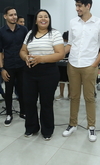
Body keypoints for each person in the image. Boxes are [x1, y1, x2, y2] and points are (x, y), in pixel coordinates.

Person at [62, 0, 100, 142]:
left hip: (89, 65)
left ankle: (91, 127)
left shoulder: (99, 23)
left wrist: (95, 64)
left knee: (89, 98)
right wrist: (58, 54)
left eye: (80, 5)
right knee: (74, 96)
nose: (77, 8)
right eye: (76, 5)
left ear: (88, 6)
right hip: (73, 64)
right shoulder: (73, 22)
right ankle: (72, 124)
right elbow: (70, 44)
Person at [20, 9, 64, 140]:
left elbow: (60, 54)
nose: (43, 19)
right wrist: (25, 57)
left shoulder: (54, 34)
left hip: (48, 72)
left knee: (46, 102)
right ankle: (31, 127)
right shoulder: (30, 34)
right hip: (29, 72)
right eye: (40, 17)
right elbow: (22, 50)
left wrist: (40, 59)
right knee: (29, 101)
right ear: (36, 20)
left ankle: (47, 130)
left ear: (49, 20)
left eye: (46, 16)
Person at [0, 7, 28, 126]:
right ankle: (9, 113)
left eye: (15, 14)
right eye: (11, 15)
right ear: (5, 16)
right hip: (8, 66)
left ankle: (23, 112)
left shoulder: (23, 30)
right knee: (8, 91)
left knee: (22, 90)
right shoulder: (0, 32)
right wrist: (1, 69)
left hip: (22, 65)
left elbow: (27, 48)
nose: (14, 17)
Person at [55, 31, 70, 100]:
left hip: (69, 64)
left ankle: (70, 94)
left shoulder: (71, 45)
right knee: (61, 80)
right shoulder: (60, 44)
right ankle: (61, 94)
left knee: (69, 81)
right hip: (61, 64)